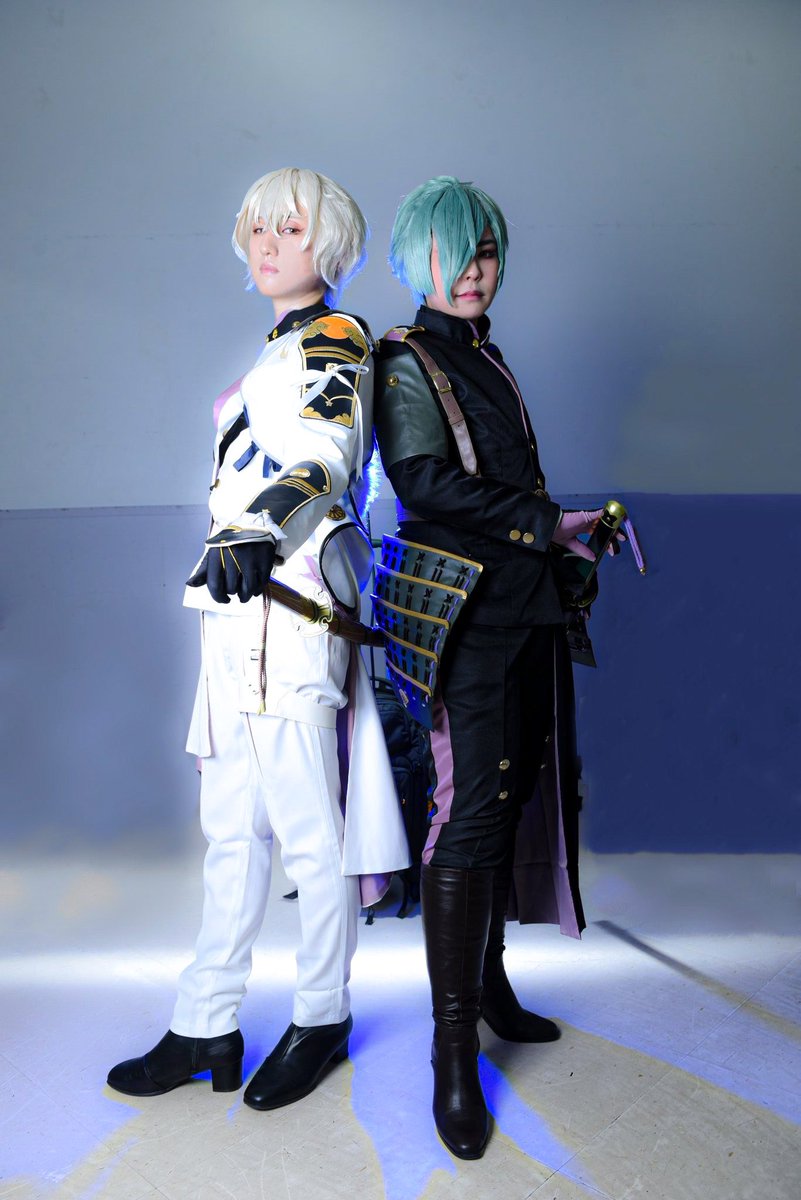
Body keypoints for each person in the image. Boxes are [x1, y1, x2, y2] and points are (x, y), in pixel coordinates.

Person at [108, 167, 409, 1111]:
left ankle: (321, 1016)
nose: (271, 244)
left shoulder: (336, 336)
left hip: (292, 604)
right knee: (230, 832)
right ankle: (206, 1021)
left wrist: (254, 528)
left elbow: (325, 456)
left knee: (310, 834)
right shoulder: (277, 347)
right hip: (235, 609)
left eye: (291, 228)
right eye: (260, 228)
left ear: (327, 244)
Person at [373, 176, 610, 1159]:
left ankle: (491, 982)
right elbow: (422, 483)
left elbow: (504, 482)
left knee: (512, 800)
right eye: (454, 253)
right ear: (415, 260)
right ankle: (450, 1052)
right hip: (464, 616)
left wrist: (565, 534)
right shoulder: (403, 358)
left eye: (484, 252)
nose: (472, 271)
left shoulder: (485, 355)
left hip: (524, 603)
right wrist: (541, 523)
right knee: (471, 812)